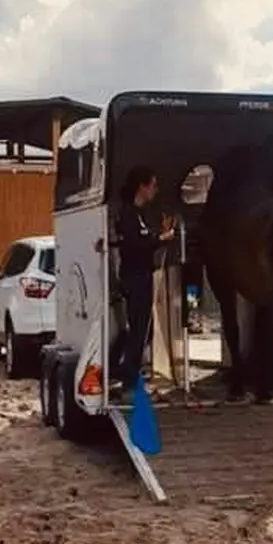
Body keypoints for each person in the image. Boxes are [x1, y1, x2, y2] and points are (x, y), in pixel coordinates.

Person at [113, 165, 175, 393]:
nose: (156, 191)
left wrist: (158, 235)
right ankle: (127, 376)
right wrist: (160, 238)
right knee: (139, 328)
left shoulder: (136, 214)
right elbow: (135, 245)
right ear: (142, 187)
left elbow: (142, 238)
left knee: (141, 328)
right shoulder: (128, 214)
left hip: (140, 275)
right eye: (153, 186)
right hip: (135, 277)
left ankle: (125, 368)